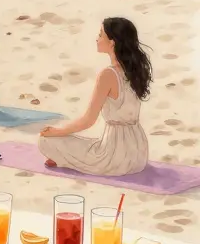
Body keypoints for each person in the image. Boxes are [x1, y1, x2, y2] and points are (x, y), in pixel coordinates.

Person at [38, 17, 151, 176]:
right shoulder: (135, 70)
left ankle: (65, 158)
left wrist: (58, 131)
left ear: (112, 43)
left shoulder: (108, 74)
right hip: (139, 154)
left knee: (46, 140)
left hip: (114, 158)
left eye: (100, 35)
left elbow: (88, 121)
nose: (97, 39)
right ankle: (66, 158)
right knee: (84, 144)